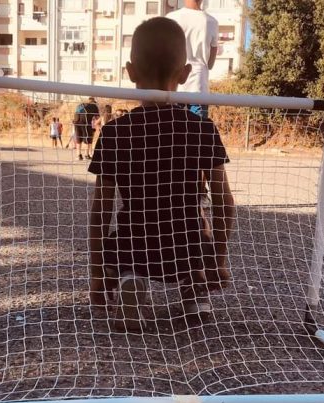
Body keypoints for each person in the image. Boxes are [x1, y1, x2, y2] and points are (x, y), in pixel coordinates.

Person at [88, 17, 235, 330]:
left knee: (116, 247)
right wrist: (218, 260)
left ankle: (129, 280)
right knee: (202, 228)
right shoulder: (202, 130)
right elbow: (225, 204)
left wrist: (97, 273)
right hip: (188, 250)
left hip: (133, 248)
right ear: (185, 74)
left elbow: (101, 211)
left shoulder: (114, 133)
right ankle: (195, 289)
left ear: (130, 72)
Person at [166, 0, 219, 119]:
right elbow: (210, 64)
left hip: (174, 86)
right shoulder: (211, 22)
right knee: (197, 128)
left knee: (174, 128)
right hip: (199, 86)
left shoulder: (171, 18)